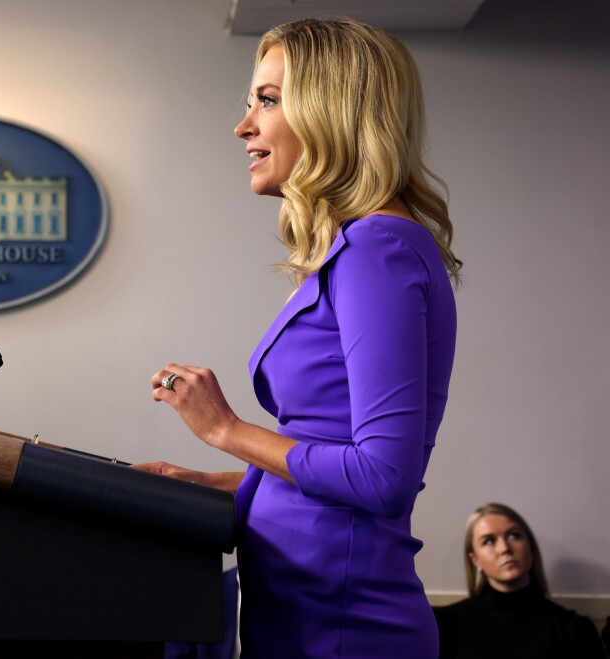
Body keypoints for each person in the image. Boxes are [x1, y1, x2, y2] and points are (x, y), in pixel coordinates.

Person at [136, 17, 459, 659]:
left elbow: (382, 477)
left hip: (343, 625)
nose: (244, 125)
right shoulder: (359, 249)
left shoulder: (378, 248)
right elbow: (326, 461)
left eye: (268, 99)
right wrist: (211, 481)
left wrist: (225, 428)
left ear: (331, 112)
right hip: (303, 612)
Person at [433, 502, 605, 658]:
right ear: (475, 560)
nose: (504, 548)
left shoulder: (574, 629)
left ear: (530, 548)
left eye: (514, 536)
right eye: (489, 541)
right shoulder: (445, 624)